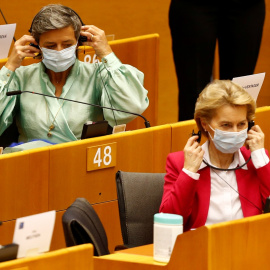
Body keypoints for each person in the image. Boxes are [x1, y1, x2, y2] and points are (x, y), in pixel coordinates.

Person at [0, 4, 149, 145]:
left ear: (79, 42)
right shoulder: (20, 78)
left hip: (80, 163)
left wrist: (107, 55)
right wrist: (10, 66)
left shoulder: (97, 75)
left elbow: (131, 109)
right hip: (31, 164)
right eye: (50, 46)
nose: (59, 51)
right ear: (36, 45)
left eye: (67, 44)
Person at [159, 80, 270, 232]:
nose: (235, 132)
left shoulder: (256, 160)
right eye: (226, 125)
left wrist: (260, 158)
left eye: (242, 124)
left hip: (246, 248)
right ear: (204, 123)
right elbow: (168, 223)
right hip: (200, 250)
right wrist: (189, 172)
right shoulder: (179, 162)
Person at [169, 0, 265, 121]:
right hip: (193, 5)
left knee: (240, 93)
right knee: (193, 97)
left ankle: (239, 139)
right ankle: (193, 138)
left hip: (247, 7)